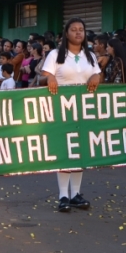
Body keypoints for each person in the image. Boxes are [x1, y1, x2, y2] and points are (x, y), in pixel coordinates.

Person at [41, 18, 101, 213]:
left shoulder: (90, 55)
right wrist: (50, 77)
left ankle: (75, 193)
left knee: (80, 150)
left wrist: (96, 76)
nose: (78, 32)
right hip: (62, 109)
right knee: (65, 150)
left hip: (84, 109)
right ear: (66, 33)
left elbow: (97, 74)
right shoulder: (55, 54)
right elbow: (43, 76)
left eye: (81, 29)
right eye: (73, 29)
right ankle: (63, 195)